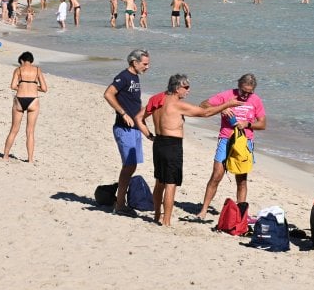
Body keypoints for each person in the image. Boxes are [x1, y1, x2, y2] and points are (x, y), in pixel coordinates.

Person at [135, 74, 244, 226]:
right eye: (186, 88)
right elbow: (205, 113)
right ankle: (166, 221)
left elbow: (139, 118)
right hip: (172, 145)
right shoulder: (177, 104)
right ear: (177, 88)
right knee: (170, 184)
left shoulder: (157, 99)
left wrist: (149, 135)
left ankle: (157, 216)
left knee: (159, 181)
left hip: (158, 143)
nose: (188, 91)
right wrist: (227, 104)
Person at [196, 73, 266, 220]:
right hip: (226, 139)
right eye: (243, 91)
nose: (246, 95)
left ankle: (241, 214)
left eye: (249, 92)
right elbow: (203, 105)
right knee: (216, 175)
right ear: (238, 86)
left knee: (241, 179)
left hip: (244, 142)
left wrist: (248, 124)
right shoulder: (227, 95)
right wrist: (222, 108)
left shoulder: (256, 100)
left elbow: (263, 124)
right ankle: (203, 210)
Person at [103, 49, 151, 216]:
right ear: (134, 62)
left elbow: (133, 102)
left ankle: (120, 200)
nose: (147, 67)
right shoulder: (123, 76)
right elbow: (108, 94)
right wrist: (123, 113)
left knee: (132, 165)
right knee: (129, 165)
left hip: (135, 128)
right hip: (124, 128)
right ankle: (120, 203)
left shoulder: (135, 77)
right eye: (145, 64)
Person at [3, 51, 48, 163]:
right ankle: (30, 159)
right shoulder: (37, 70)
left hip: (19, 99)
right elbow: (44, 89)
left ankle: (5, 156)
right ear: (31, 61)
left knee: (13, 130)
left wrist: (22, 85)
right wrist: (33, 86)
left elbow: (13, 86)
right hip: (33, 100)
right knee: (30, 131)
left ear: (22, 60)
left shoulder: (18, 70)